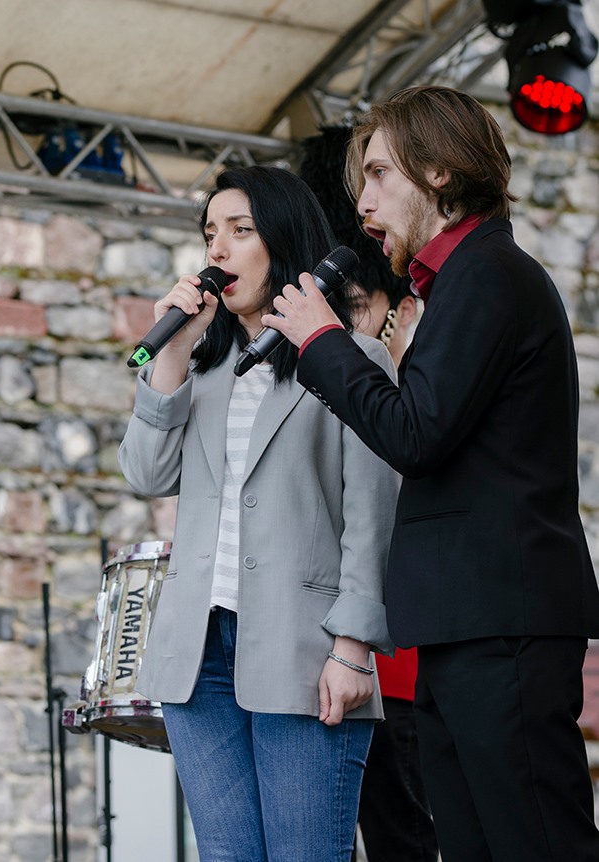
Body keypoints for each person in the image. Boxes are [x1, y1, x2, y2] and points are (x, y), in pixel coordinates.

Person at [265, 84, 599, 861]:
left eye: (380, 174)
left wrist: (323, 342)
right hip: (465, 621)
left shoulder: (489, 273)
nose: (364, 202)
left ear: (440, 171)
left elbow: (414, 434)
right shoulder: (461, 284)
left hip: (500, 620)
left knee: (536, 844)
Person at [118, 165, 400, 862]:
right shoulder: (199, 370)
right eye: (210, 232)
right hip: (198, 656)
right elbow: (146, 474)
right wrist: (173, 352)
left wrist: (353, 648)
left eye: (240, 231)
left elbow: (372, 517)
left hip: (304, 649)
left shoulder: (353, 358)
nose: (218, 249)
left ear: (284, 238)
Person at [299, 126, 436, 862]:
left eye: (353, 306)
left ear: (399, 308)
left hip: (397, 661)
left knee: (400, 841)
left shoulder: (417, 386)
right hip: (312, 651)